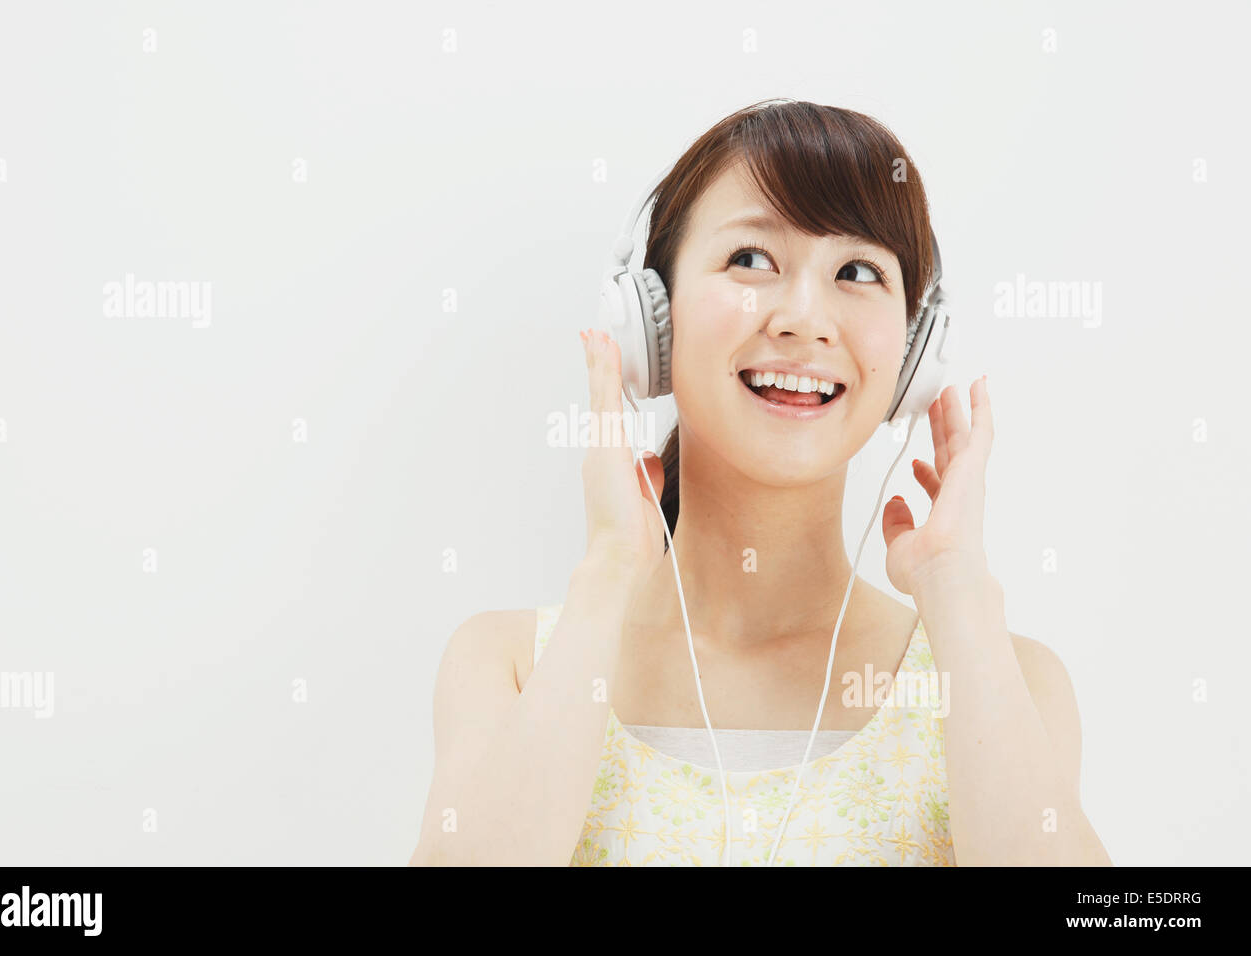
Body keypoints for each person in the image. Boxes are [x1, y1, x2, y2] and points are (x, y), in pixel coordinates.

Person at [409, 99, 1111, 867]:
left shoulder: (1005, 679)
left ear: (914, 354)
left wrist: (960, 596)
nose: (804, 318)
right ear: (654, 321)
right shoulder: (509, 662)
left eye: (858, 271)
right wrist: (608, 571)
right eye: (750, 259)